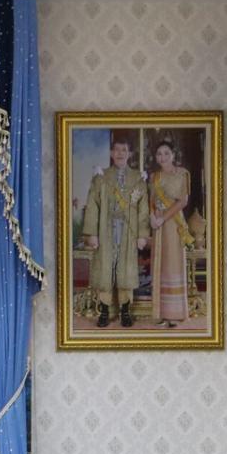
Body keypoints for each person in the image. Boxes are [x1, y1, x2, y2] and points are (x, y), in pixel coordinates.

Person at [80, 134, 149, 329]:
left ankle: (125, 311)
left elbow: (143, 209)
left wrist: (142, 235)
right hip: (106, 230)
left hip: (128, 231)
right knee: (105, 269)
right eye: (117, 150)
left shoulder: (138, 179)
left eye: (124, 150)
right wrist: (92, 233)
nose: (120, 154)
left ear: (129, 154)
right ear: (111, 153)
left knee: (126, 269)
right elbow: (92, 206)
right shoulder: (101, 177)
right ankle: (104, 310)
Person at [146, 138, 194, 327]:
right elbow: (150, 200)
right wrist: (152, 217)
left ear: (173, 155)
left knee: (173, 264)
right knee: (161, 265)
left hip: (173, 223)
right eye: (159, 154)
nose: (163, 157)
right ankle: (162, 313)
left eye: (166, 153)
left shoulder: (182, 174)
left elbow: (183, 201)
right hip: (158, 225)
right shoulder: (154, 177)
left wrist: (163, 218)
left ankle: (175, 314)